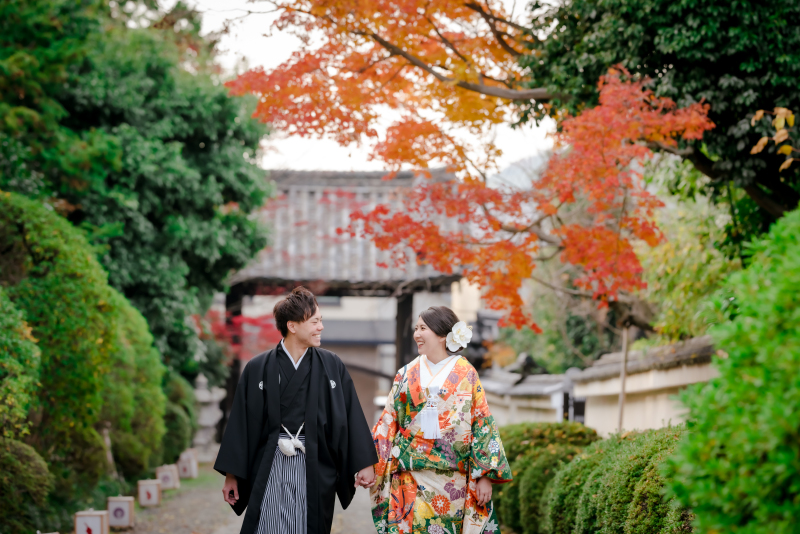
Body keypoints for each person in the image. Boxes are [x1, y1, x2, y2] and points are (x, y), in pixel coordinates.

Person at [214, 286, 378, 534]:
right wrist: (232, 475)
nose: (321, 327)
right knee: (267, 525)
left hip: (314, 461)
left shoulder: (331, 365)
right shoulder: (258, 368)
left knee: (308, 525)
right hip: (270, 462)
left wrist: (364, 462)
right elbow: (241, 425)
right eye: (314, 322)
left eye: (321, 320)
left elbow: (350, 414)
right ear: (292, 326)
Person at [370, 306, 512, 534]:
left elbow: (482, 423)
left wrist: (484, 476)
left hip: (453, 484)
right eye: (416, 328)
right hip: (410, 477)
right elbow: (388, 422)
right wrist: (369, 463)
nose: (416, 334)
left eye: (423, 328)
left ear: (442, 335)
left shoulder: (466, 374)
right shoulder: (406, 373)